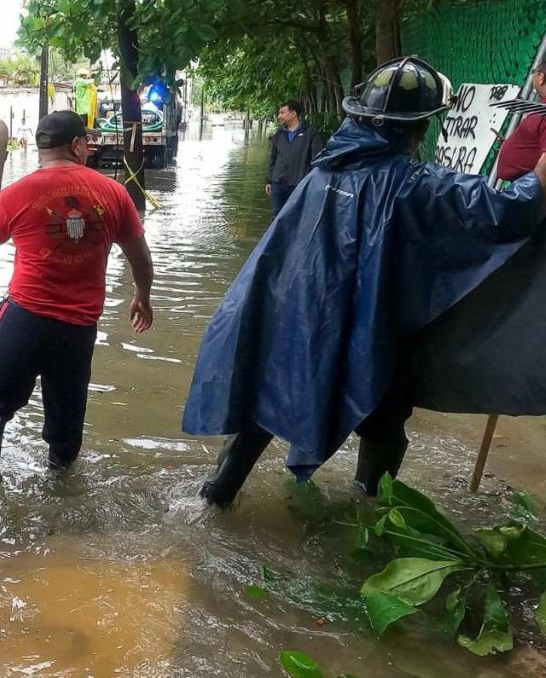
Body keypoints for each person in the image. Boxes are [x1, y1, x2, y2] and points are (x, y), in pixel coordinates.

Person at [182, 57, 546, 508]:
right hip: (368, 332)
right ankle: (368, 515)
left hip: (291, 318)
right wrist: (540, 179)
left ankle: (214, 501)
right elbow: (504, 212)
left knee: (263, 405)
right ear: (421, 126)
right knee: (383, 421)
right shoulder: (417, 184)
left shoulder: (323, 171)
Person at [0, 110, 155, 521]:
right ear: (77, 146)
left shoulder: (16, 194)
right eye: (88, 142)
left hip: (24, 321)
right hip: (78, 330)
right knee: (67, 421)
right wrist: (142, 296)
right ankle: (62, 497)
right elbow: (140, 257)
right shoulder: (114, 193)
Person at [265, 100, 325, 215]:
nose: (279, 116)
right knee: (277, 216)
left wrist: (310, 182)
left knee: (296, 216)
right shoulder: (279, 135)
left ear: (293, 114)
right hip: (278, 183)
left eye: (282, 112)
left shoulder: (310, 133)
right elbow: (273, 159)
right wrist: (269, 180)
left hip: (299, 183)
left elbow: (317, 160)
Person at [497, 57, 546, 182]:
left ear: (541, 78)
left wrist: (532, 193)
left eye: (533, 72)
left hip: (531, 192)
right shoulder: (541, 107)